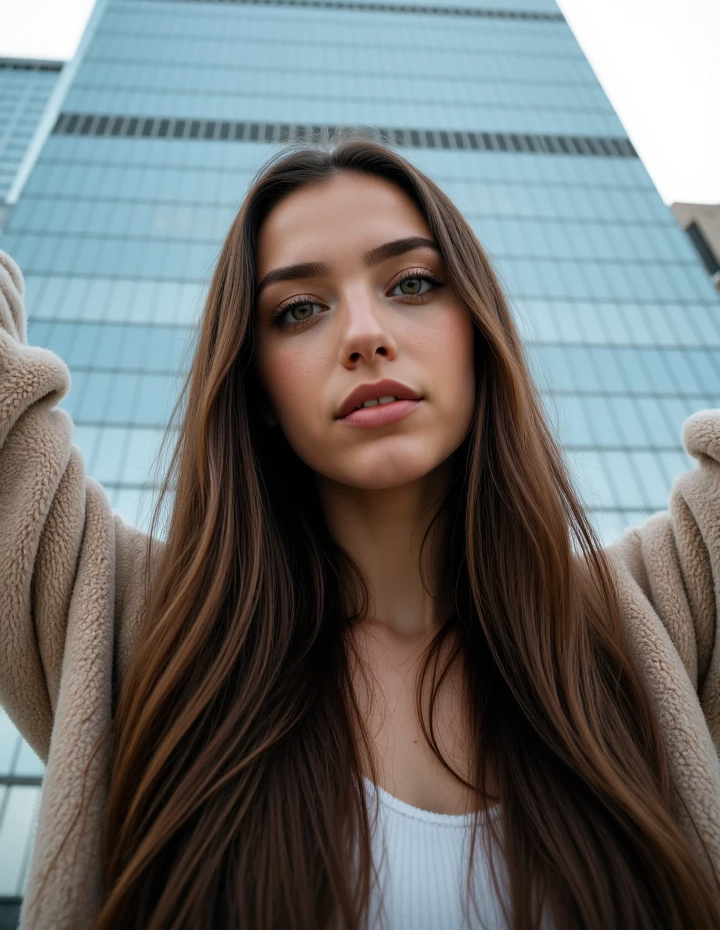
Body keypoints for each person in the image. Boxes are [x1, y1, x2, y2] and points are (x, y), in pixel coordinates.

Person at [1, 138, 719, 930]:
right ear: (258, 383)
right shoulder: (145, 623)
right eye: (299, 309)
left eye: (412, 283)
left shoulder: (655, 608)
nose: (364, 334)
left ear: (479, 333)